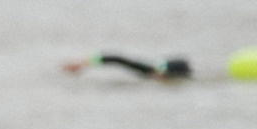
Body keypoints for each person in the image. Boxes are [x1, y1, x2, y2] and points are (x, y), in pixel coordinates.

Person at [62, 52, 194, 80]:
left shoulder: (151, 74)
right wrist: (83, 63)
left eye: (162, 72)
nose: (159, 74)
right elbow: (117, 58)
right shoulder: (149, 70)